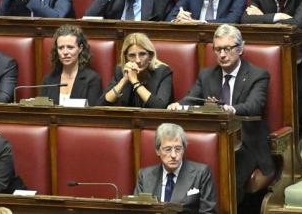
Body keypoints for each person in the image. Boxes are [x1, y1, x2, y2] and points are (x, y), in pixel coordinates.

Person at [168, 24, 274, 204]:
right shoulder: (207, 75)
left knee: (227, 180)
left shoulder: (258, 75)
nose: (222, 55)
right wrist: (177, 106)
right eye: (218, 49)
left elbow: (254, 106)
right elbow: (192, 99)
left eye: (227, 49)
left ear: (240, 49)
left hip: (245, 143)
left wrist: (232, 109)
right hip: (212, 142)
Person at [134, 123, 217, 214]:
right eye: (168, 149)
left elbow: (208, 212)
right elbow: (137, 211)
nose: (173, 155)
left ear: (184, 149)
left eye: (178, 149)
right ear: (158, 151)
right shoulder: (144, 176)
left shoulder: (202, 173)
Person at [97, 33, 173, 108]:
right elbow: (101, 105)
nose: (138, 60)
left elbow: (160, 106)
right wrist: (124, 80)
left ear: (150, 55)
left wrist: (135, 81)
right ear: (126, 58)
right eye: (132, 55)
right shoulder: (120, 71)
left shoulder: (163, 72)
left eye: (142, 54)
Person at [40, 25, 102, 106]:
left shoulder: (92, 79)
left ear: (80, 48)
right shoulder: (48, 80)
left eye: (70, 47)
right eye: (61, 48)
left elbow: (93, 114)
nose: (65, 52)